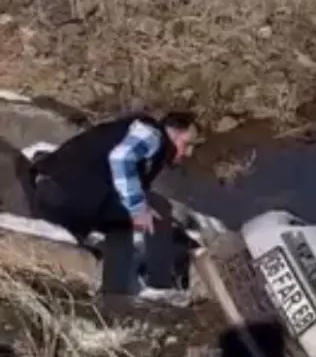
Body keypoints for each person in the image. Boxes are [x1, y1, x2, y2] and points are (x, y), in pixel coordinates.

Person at [25, 110, 198, 304]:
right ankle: (157, 287)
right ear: (172, 132)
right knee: (154, 209)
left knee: (128, 215)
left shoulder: (137, 137)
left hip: (58, 190)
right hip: (66, 192)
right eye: (187, 144)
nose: (189, 152)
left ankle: (115, 293)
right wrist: (139, 209)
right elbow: (121, 158)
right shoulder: (151, 134)